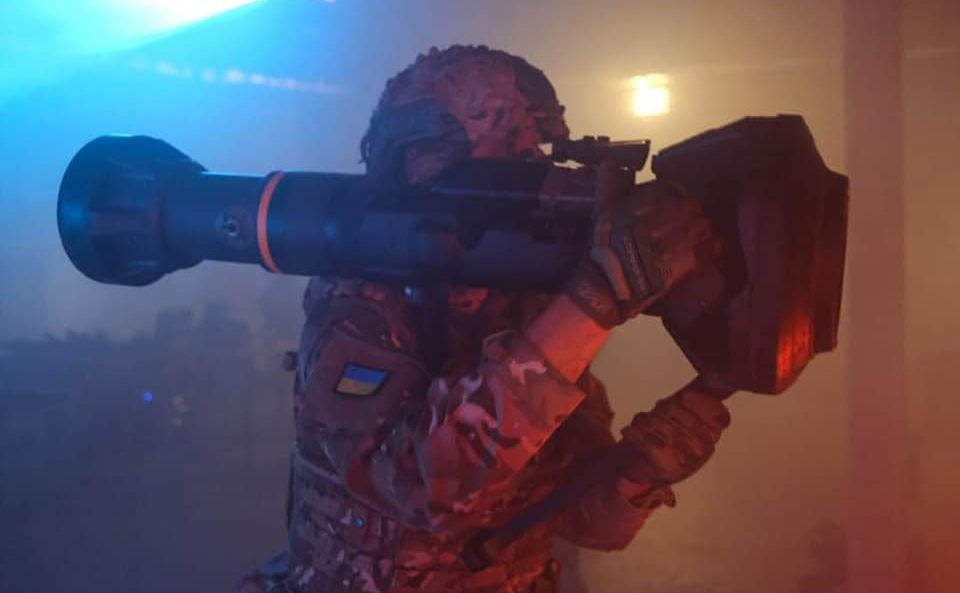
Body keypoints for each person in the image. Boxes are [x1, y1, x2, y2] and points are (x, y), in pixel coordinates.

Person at [240, 45, 730, 593]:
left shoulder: (525, 303)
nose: (539, 185)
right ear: (421, 165)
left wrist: (638, 475)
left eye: (535, 160)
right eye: (513, 162)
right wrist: (589, 306)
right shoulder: (362, 300)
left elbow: (572, 513)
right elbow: (420, 487)